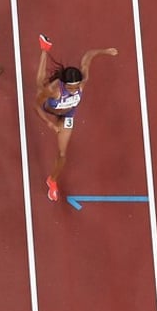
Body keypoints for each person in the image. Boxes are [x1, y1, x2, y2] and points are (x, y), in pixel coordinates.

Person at [33, 34, 118, 202]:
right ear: (64, 84)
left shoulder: (82, 81)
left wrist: (104, 51)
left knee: (63, 154)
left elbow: (87, 57)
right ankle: (44, 50)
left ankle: (52, 181)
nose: (74, 90)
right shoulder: (54, 90)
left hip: (67, 115)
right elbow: (36, 106)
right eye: (71, 87)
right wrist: (49, 124)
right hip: (50, 109)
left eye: (76, 87)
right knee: (39, 84)